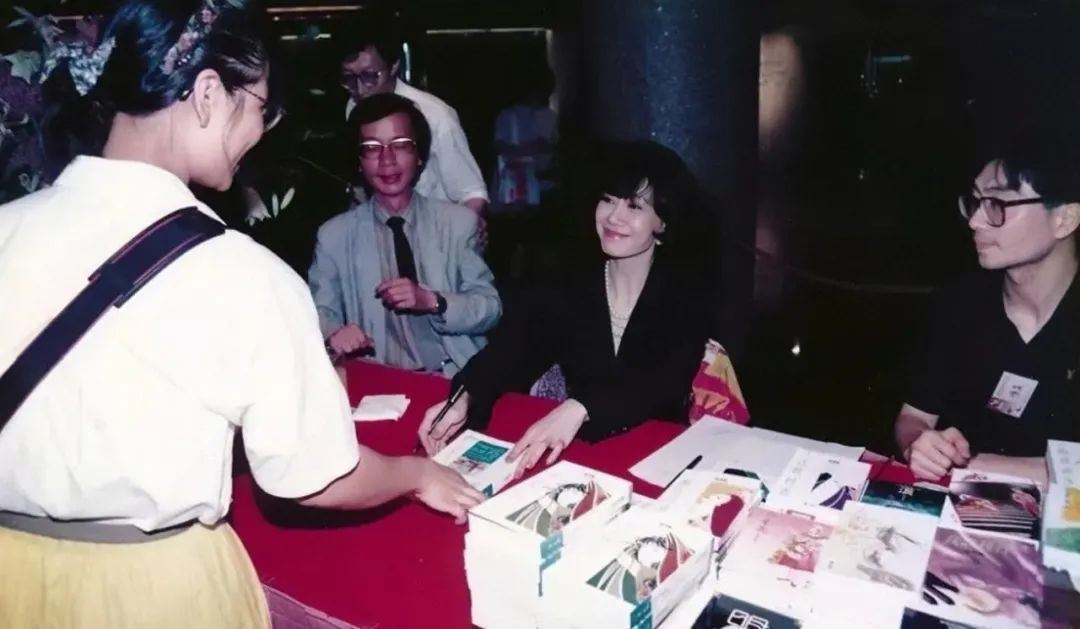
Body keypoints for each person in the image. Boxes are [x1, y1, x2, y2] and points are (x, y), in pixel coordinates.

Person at [0, 2, 482, 627]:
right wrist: (415, 474)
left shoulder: (9, 228)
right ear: (208, 94)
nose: (262, 130)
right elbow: (313, 477)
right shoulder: (242, 273)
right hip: (153, 590)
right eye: (260, 107)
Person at [418, 140, 719, 474]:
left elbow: (661, 380)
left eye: (634, 206)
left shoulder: (686, 289)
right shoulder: (571, 280)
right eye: (608, 199)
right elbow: (517, 348)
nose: (613, 217)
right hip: (583, 450)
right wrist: (466, 395)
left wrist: (580, 407)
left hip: (658, 453)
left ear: (662, 222)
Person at [895, 130, 1080, 484]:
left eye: (998, 204)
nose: (975, 221)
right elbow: (914, 416)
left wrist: (973, 465)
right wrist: (920, 444)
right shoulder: (960, 303)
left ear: (1065, 219)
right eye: (975, 202)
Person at [309, 93, 500, 376]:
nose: (387, 160)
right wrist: (334, 333)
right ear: (358, 161)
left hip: (453, 376)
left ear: (420, 155)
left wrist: (433, 301)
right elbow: (319, 312)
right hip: (378, 380)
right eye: (371, 148)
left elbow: (490, 308)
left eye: (400, 145)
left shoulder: (458, 223)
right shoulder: (334, 236)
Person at [338, 21, 488, 214]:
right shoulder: (353, 107)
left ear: (394, 66)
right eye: (349, 79)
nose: (360, 89)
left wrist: (457, 231)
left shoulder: (435, 115)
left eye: (370, 76)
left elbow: (472, 194)